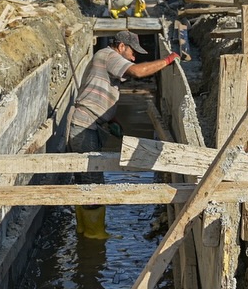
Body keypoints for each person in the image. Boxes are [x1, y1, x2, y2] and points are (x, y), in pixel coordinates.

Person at [65, 30, 181, 237]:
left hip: (89, 124)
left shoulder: (104, 57)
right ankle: (94, 234)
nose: (134, 57)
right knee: (93, 183)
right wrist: (167, 60)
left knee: (85, 181)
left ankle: (83, 231)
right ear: (120, 47)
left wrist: (110, 117)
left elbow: (99, 90)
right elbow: (137, 71)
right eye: (132, 52)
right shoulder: (108, 55)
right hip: (85, 127)